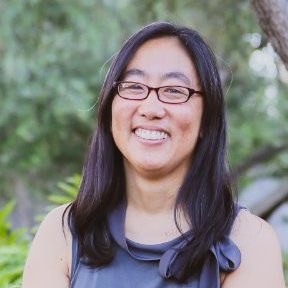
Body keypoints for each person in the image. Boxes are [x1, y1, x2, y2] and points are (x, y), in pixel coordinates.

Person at [21, 21, 286, 288]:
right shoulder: (63, 233)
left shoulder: (249, 240)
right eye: (134, 86)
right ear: (109, 107)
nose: (150, 108)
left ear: (207, 119)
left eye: (174, 91)